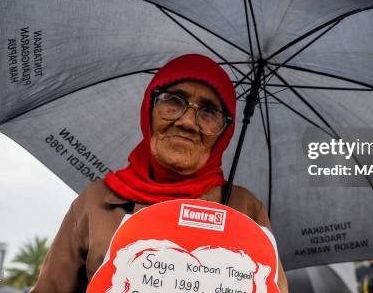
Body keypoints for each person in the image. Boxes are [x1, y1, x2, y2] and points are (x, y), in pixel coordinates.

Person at [31, 54, 288, 292]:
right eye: (173, 101)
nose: (187, 122)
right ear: (149, 109)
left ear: (224, 132)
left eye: (209, 112)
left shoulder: (245, 210)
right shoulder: (96, 202)